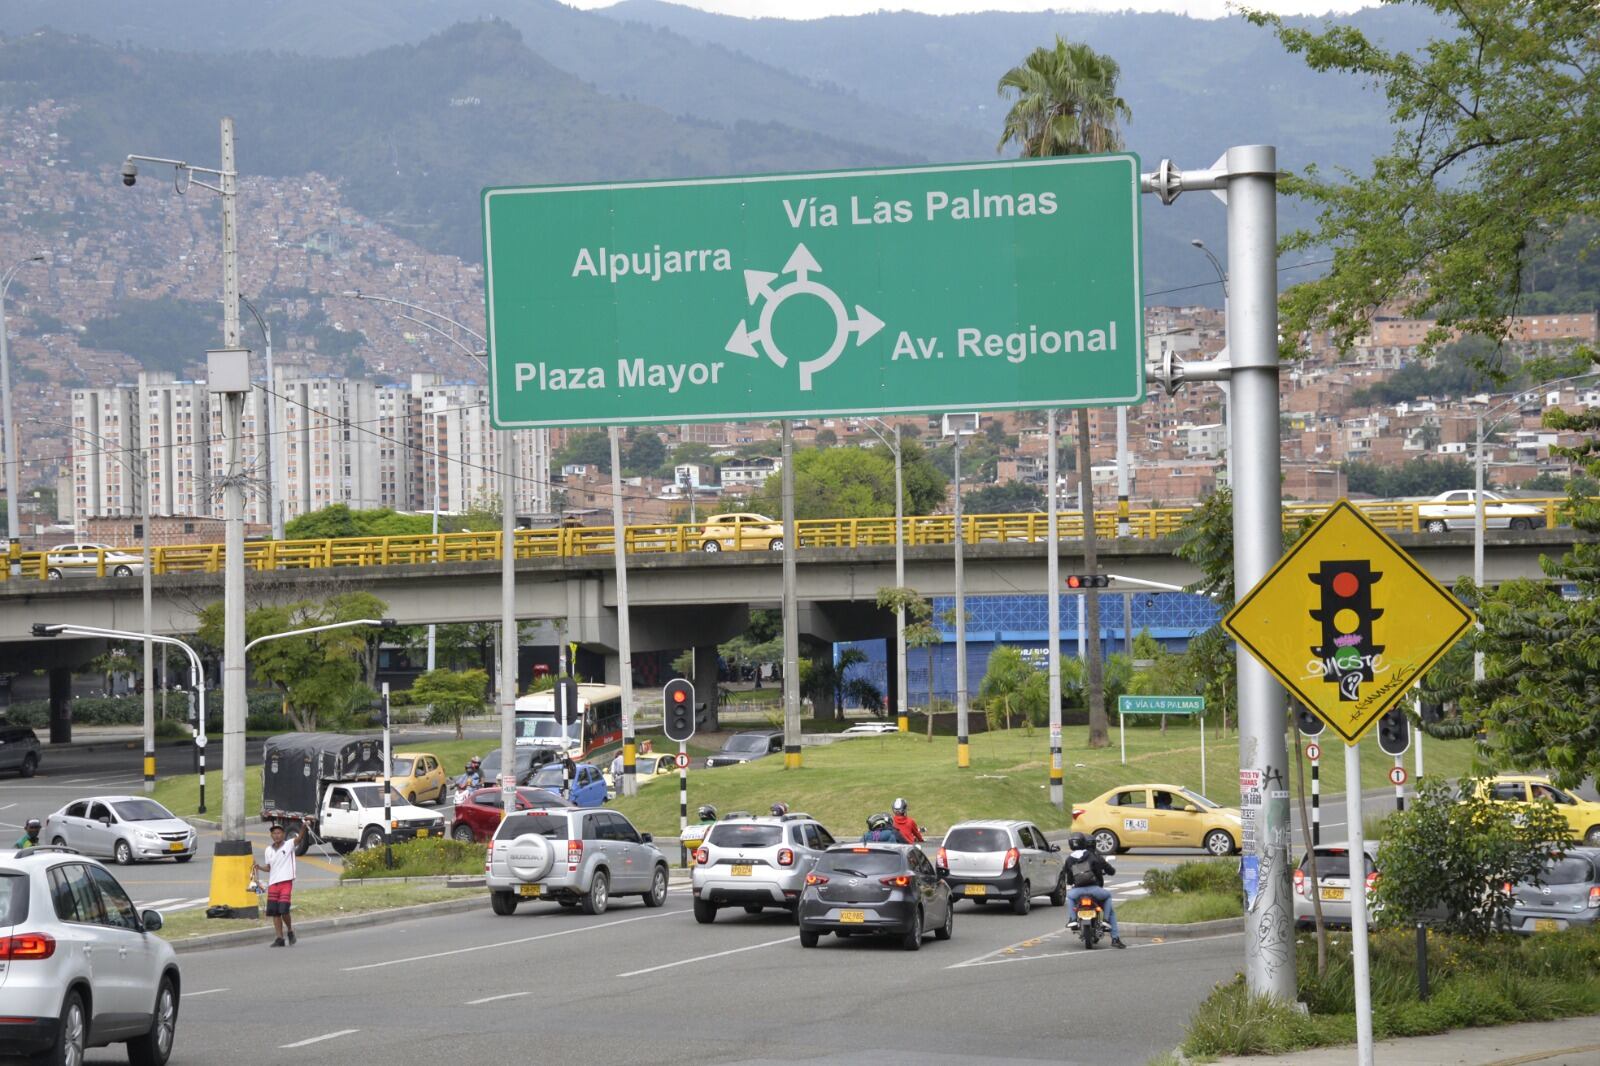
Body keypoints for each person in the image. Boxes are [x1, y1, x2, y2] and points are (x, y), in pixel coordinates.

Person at [253, 819, 312, 947]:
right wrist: (259, 867)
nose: (277, 835)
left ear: (283, 834)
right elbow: (269, 868)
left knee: (284, 909)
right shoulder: (268, 850)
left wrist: (303, 827)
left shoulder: (289, 844)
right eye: (274, 833)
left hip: (286, 882)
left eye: (279, 833)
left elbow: (299, 839)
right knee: (274, 912)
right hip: (273, 883)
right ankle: (279, 938)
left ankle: (290, 930)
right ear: (271, 835)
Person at [1064, 832, 1124, 948]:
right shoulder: (1092, 856)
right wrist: (1097, 882)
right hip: (1094, 889)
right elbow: (1098, 872)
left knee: (1070, 897)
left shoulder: (1069, 859)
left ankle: (1073, 919)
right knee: (1108, 897)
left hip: (1078, 891)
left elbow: (1069, 878)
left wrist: (1072, 882)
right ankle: (1110, 930)